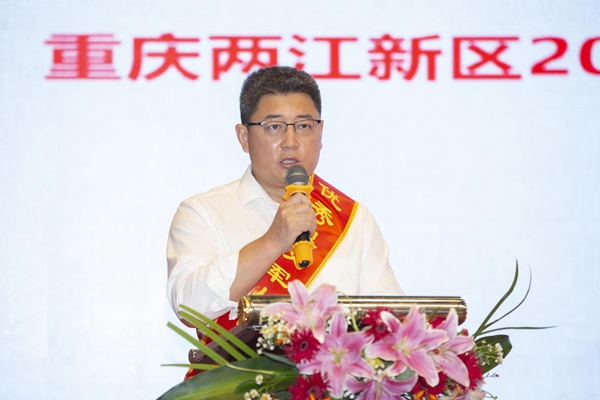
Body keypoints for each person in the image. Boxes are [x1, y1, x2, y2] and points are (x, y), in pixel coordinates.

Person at [166, 66, 402, 328]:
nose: (291, 141)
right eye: (274, 127)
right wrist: (273, 242)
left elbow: (387, 323)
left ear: (320, 133)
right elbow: (188, 308)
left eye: (304, 126)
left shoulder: (354, 220)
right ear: (244, 137)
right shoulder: (203, 212)